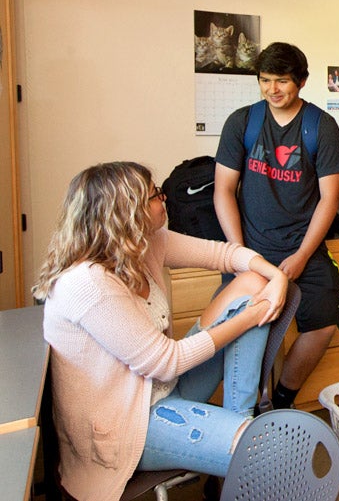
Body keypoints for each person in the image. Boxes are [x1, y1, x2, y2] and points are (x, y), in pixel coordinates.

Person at [33, 161, 289, 501]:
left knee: (253, 283)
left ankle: (237, 424)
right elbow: (166, 362)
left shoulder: (146, 243)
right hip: (126, 428)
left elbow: (224, 253)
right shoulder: (87, 283)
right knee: (265, 452)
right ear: (127, 214)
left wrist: (277, 278)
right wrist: (249, 316)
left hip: (159, 389)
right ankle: (236, 447)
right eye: (155, 195)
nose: (164, 198)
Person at [214, 42, 339, 410]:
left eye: (282, 81)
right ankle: (244, 413)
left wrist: (303, 255)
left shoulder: (321, 127)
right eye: (265, 80)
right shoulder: (243, 122)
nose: (273, 89)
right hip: (250, 248)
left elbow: (329, 199)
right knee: (242, 333)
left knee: (323, 321)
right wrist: (238, 253)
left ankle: (283, 401)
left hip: (303, 247)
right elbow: (223, 190)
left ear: (301, 82)